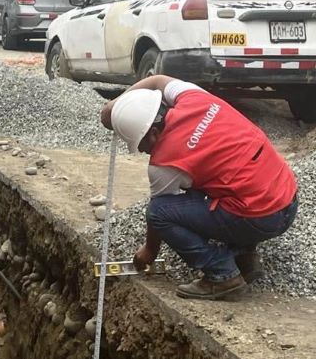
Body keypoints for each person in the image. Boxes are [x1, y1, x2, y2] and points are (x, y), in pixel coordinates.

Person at [100, 75, 298, 300]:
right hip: (287, 197)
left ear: (154, 133)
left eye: (140, 144)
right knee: (223, 182)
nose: (143, 151)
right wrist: (116, 104)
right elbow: (157, 81)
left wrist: (149, 252)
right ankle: (245, 259)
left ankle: (223, 275)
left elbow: (159, 215)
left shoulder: (165, 164)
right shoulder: (192, 97)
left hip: (261, 217)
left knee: (159, 212)